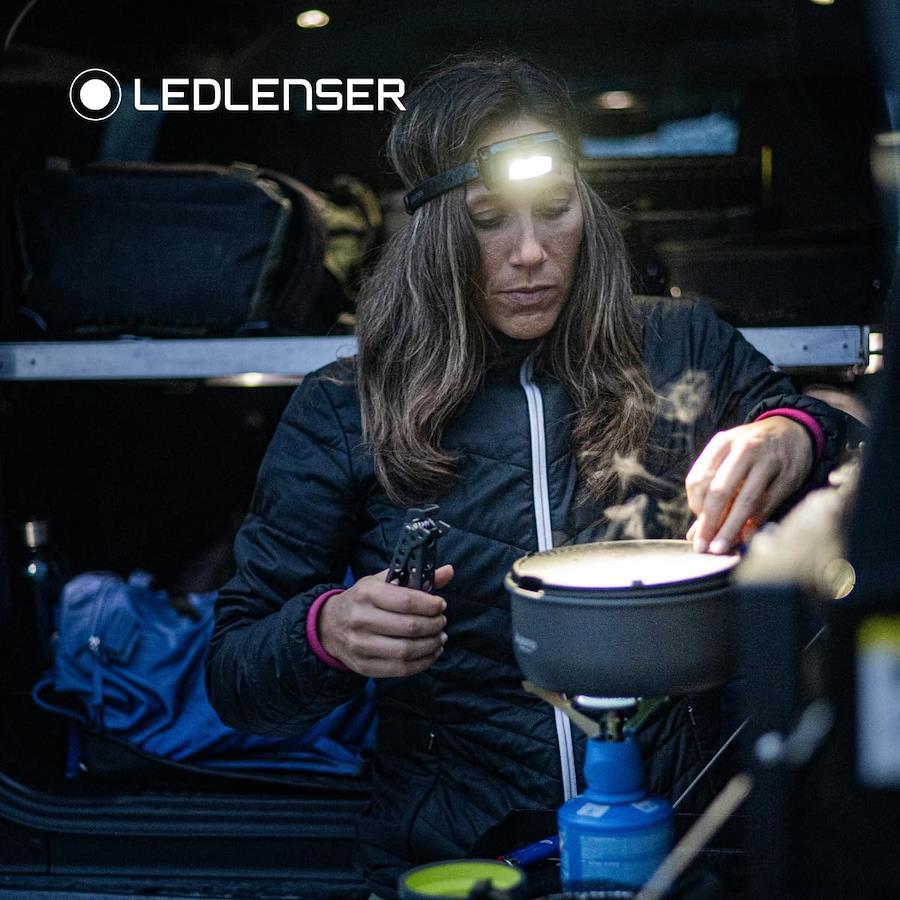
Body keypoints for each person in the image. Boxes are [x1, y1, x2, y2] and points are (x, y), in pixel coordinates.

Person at [205, 54, 854, 898]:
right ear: (434, 234)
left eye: (555, 211)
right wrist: (325, 633)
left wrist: (795, 433)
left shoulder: (684, 346)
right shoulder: (345, 407)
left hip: (691, 842)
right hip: (461, 855)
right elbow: (234, 675)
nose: (531, 254)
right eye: (488, 220)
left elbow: (849, 461)